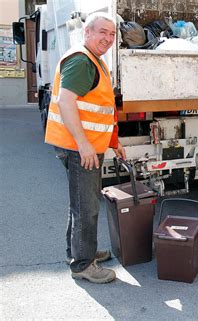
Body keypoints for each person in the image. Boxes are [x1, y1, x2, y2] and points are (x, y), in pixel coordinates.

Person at [44, 12, 126, 284]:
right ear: (87, 33)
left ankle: (79, 251)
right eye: (102, 31)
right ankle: (83, 265)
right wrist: (84, 145)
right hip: (79, 149)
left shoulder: (94, 60)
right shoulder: (81, 60)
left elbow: (101, 109)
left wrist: (115, 143)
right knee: (87, 207)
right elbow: (67, 102)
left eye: (112, 34)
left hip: (85, 146)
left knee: (80, 203)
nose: (108, 38)